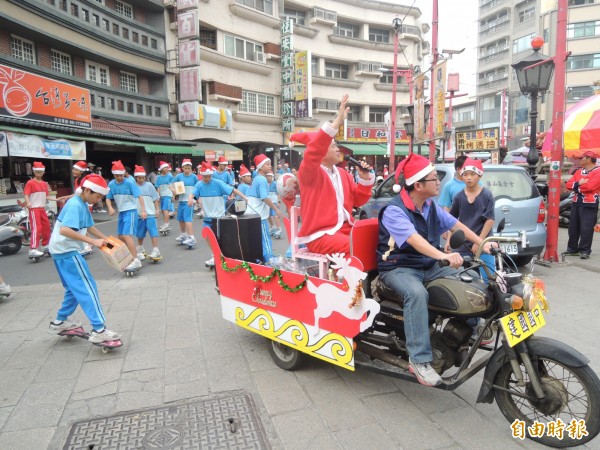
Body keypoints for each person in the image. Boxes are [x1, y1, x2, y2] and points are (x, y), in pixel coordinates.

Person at [377, 153, 494, 387]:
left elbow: (456, 225)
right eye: (433, 179)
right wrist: (443, 255)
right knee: (417, 294)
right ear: (418, 185)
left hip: (428, 265)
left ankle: (467, 331)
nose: (439, 182)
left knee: (469, 278)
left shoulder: (430, 206)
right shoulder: (394, 210)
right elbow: (413, 239)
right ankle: (419, 360)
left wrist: (481, 243)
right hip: (399, 268)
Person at [289, 94, 374, 256]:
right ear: (321, 150)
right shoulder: (309, 172)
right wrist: (337, 121)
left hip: (345, 228)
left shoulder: (343, 173)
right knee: (356, 247)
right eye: (333, 145)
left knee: (378, 237)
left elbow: (358, 201)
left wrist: (364, 180)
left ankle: (370, 280)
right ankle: (346, 281)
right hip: (320, 234)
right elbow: (314, 151)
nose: (337, 149)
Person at [47, 174, 121, 344]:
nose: (98, 199)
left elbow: (88, 226)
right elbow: (65, 230)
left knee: (73, 289)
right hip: (67, 252)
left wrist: (108, 241)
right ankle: (99, 329)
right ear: (87, 190)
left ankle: (60, 321)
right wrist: (93, 242)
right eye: (97, 196)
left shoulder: (81, 202)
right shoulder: (75, 205)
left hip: (60, 251)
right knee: (87, 288)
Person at [190, 162, 248, 267]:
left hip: (219, 217)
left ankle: (221, 256)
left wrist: (244, 197)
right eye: (205, 177)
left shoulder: (217, 183)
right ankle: (216, 255)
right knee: (207, 236)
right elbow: (193, 194)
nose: (207, 179)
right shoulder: (199, 184)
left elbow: (232, 189)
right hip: (207, 217)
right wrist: (191, 200)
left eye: (209, 176)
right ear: (201, 175)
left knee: (218, 238)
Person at [106, 160, 145, 272]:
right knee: (120, 236)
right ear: (113, 174)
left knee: (126, 235)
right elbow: (108, 197)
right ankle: (130, 255)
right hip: (122, 212)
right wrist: (110, 207)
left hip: (131, 211)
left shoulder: (129, 183)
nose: (119, 177)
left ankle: (135, 259)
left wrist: (143, 210)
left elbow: (140, 196)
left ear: (124, 174)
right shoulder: (111, 184)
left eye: (121, 175)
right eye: (117, 175)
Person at [246, 154, 284, 262]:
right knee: (265, 238)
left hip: (253, 212)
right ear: (261, 167)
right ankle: (269, 259)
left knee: (257, 238)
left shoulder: (257, 179)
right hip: (259, 214)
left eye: (270, 164)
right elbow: (264, 197)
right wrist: (276, 209)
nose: (270, 166)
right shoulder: (262, 180)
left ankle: (260, 259)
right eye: (267, 164)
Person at [565, 151, 600, 259]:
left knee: (586, 228)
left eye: (582, 158)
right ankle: (572, 249)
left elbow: (590, 187)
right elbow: (568, 185)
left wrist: (576, 187)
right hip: (576, 202)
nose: (579, 160)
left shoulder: (598, 171)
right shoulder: (579, 171)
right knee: (573, 227)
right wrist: (578, 184)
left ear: (589, 158)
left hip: (589, 203)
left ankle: (585, 250)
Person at [24, 161, 57, 258]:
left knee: (46, 227)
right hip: (34, 209)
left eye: (41, 172)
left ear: (43, 172)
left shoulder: (44, 184)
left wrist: (57, 199)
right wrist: (28, 202)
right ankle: (33, 249)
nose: (39, 173)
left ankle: (45, 246)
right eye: (37, 172)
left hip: (42, 209)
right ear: (34, 172)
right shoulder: (30, 182)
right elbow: (26, 194)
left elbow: (46, 196)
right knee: (36, 229)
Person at [133, 165, 161, 261]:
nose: (141, 179)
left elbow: (155, 198)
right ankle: (140, 248)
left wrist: (157, 209)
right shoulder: (133, 186)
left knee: (153, 231)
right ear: (135, 177)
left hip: (150, 213)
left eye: (143, 177)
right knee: (140, 233)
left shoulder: (149, 185)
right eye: (139, 178)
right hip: (139, 214)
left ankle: (155, 249)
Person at [171, 159, 198, 246]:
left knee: (187, 219)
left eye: (189, 168)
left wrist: (196, 199)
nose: (187, 170)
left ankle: (191, 237)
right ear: (182, 168)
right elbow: (170, 184)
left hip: (189, 201)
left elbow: (198, 188)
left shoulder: (194, 177)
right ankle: (183, 234)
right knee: (181, 219)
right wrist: (174, 191)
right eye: (185, 168)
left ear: (191, 168)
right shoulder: (179, 176)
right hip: (181, 200)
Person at [155, 161, 174, 233]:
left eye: (167, 167)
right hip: (162, 195)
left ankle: (166, 224)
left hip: (168, 195)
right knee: (163, 210)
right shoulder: (159, 177)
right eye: (165, 167)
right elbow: (158, 187)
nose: (167, 169)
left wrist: (173, 195)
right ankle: (166, 223)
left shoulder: (170, 176)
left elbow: (172, 185)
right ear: (161, 169)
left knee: (165, 209)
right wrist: (158, 196)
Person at [266, 172, 282, 237]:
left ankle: (279, 228)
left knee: (275, 215)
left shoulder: (275, 184)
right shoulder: (265, 184)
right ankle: (272, 226)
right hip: (267, 202)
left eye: (270, 176)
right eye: (268, 176)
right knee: (268, 215)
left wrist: (278, 201)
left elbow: (278, 193)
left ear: (272, 177)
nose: (269, 177)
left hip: (274, 202)